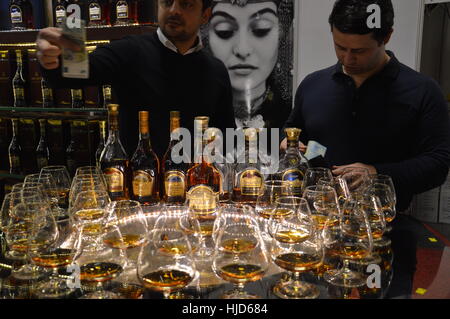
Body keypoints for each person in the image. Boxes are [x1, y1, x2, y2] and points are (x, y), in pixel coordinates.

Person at [281, 0, 450, 298]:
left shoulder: (422, 91)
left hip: (386, 237)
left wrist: (377, 172)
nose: (347, 58)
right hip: (317, 233)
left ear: (386, 37)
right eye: (339, 47)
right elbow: (296, 135)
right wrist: (291, 144)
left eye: (358, 51)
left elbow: (438, 164)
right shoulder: (313, 85)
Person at [36, 0, 236, 158]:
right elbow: (69, 76)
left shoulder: (216, 70)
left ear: (205, 15)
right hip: (140, 192)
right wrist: (51, 60)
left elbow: (227, 138)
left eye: (186, 4)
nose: (174, 10)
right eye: (167, 2)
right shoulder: (129, 51)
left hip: (199, 195)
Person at [205, 0, 293, 129]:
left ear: (281, 36)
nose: (242, 50)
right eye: (224, 31)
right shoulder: (196, 103)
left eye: (261, 30)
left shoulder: (291, 112)